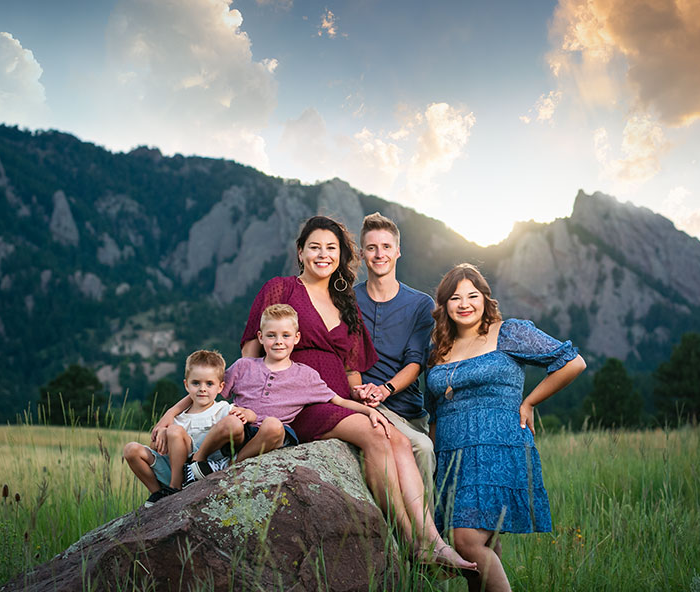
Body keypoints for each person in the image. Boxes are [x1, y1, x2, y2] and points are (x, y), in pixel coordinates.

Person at [155, 215, 475, 571]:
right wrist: (178, 414)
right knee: (376, 437)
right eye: (315, 247)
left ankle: (428, 540)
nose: (323, 255)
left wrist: (365, 397)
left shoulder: (345, 301)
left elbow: (351, 368)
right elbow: (247, 357)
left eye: (331, 248)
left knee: (395, 438)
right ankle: (413, 538)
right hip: (298, 401)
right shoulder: (281, 288)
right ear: (301, 251)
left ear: (340, 255)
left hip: (336, 395)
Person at [425, 263, 586, 592]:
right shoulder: (438, 349)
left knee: (466, 542)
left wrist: (529, 401)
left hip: (498, 446)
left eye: (472, 295)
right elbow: (431, 409)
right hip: (450, 452)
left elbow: (572, 362)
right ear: (444, 306)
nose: (465, 304)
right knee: (478, 552)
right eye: (455, 298)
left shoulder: (508, 332)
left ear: (485, 299)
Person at [184, 303, 392, 477]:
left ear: (297, 338)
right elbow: (207, 389)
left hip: (270, 436)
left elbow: (338, 401)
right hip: (240, 430)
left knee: (273, 425)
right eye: (271, 335)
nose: (279, 342)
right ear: (261, 337)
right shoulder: (243, 366)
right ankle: (195, 463)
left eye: (285, 335)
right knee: (231, 420)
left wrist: (370, 411)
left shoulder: (306, 376)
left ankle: (229, 468)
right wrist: (169, 415)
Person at [350, 212, 437, 493]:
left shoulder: (421, 304)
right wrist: (359, 391)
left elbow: (416, 362)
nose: (379, 254)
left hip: (407, 409)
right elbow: (347, 357)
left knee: (424, 448)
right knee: (418, 449)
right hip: (364, 405)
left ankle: (427, 532)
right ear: (362, 254)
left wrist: (386, 389)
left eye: (386, 247)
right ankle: (419, 536)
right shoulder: (348, 301)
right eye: (372, 248)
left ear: (398, 251)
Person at [123, 350, 234, 507]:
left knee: (174, 431)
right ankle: (159, 494)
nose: (202, 389)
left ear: (220, 387)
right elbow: (156, 448)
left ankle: (175, 488)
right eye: (196, 383)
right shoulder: (177, 418)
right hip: (172, 468)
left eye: (209, 384)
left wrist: (246, 414)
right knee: (131, 449)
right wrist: (163, 433)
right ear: (186, 385)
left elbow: (240, 422)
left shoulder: (222, 409)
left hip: (198, 471)